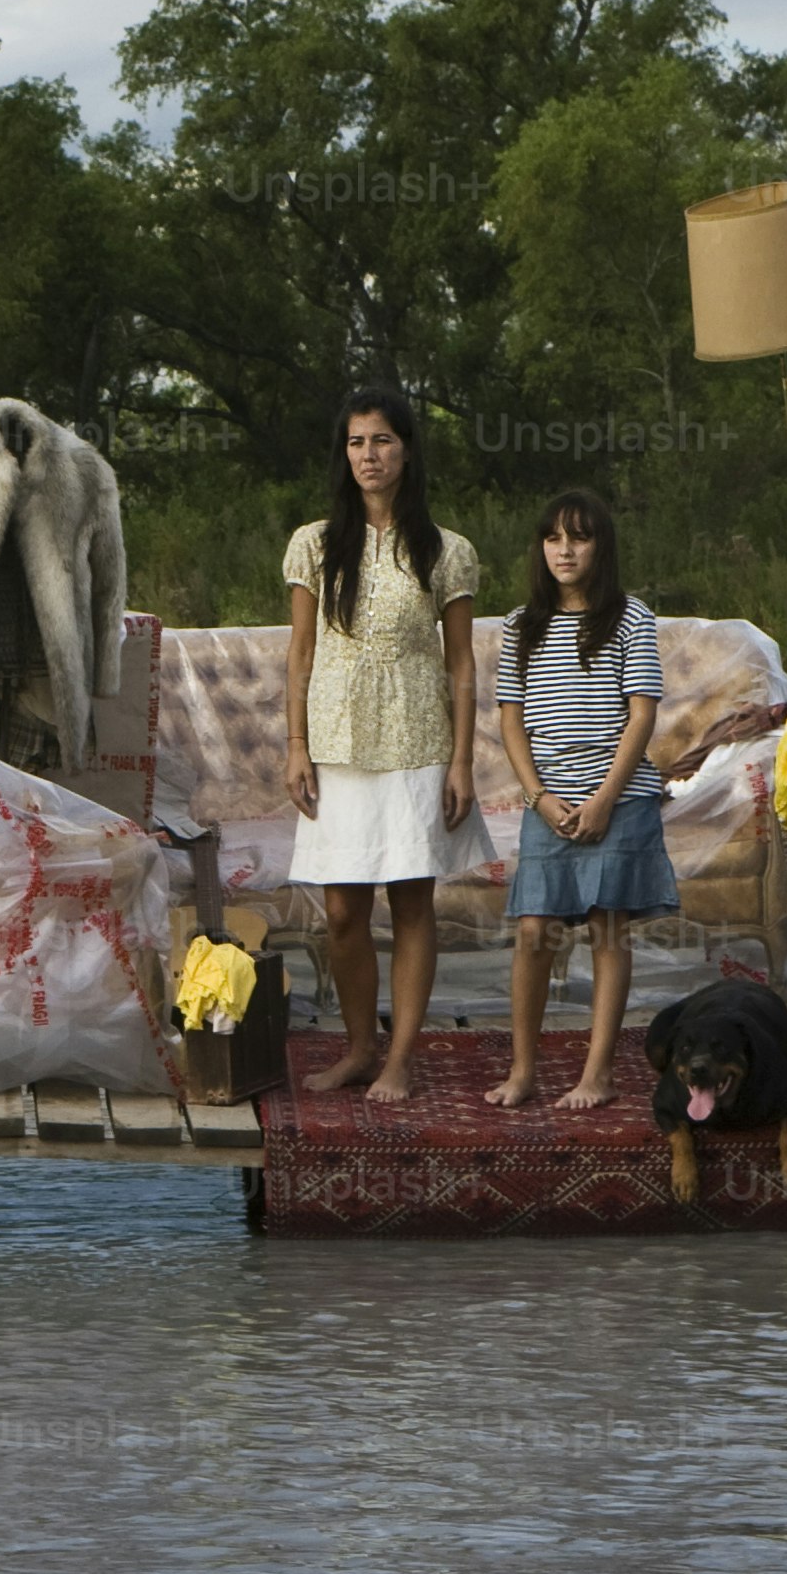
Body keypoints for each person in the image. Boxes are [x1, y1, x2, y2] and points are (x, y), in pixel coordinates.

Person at [281, 386, 481, 1105]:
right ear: (345, 453)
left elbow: (461, 662)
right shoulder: (313, 543)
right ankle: (359, 1047)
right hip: (336, 741)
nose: (370, 455)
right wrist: (296, 743)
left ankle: (400, 1058)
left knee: (411, 904)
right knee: (341, 910)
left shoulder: (446, 550)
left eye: (384, 441)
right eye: (358, 442)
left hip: (419, 741)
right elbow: (300, 651)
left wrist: (462, 760)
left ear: (407, 451)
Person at [488, 487, 669, 1111]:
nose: (565, 550)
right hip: (549, 800)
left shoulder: (631, 617)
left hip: (618, 797)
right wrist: (538, 798)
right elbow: (511, 721)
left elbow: (641, 716)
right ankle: (523, 1070)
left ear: (601, 546)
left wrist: (602, 800)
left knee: (607, 928)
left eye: (580, 537)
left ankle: (597, 1073)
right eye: (554, 538)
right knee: (534, 930)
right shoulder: (521, 624)